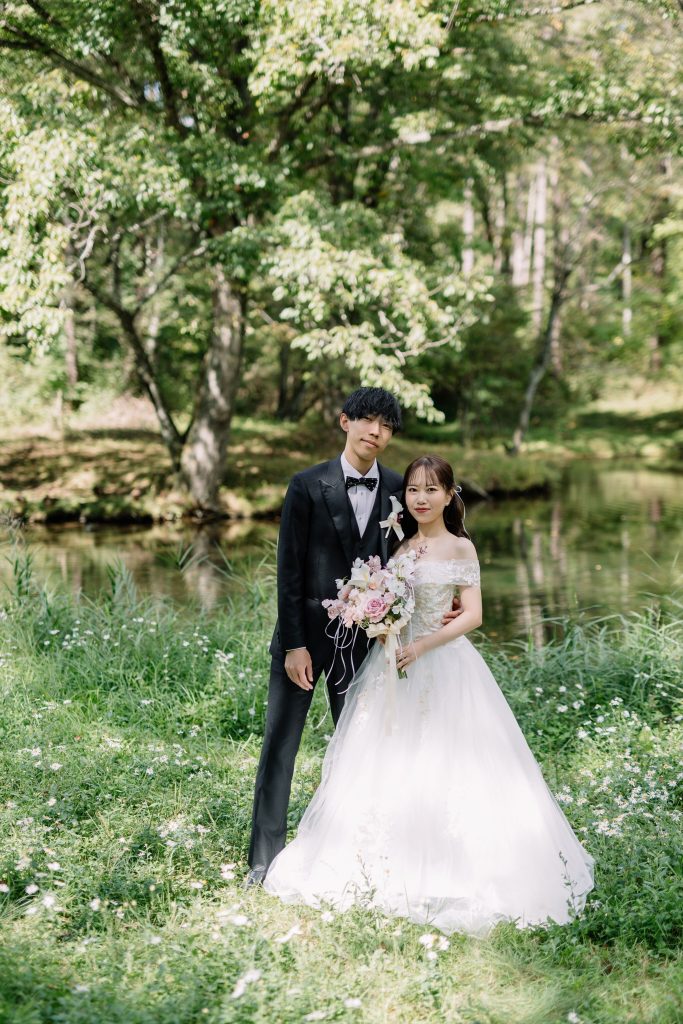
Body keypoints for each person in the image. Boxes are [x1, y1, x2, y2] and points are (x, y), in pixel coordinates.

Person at [263, 455, 595, 936]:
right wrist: (377, 619)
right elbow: (386, 600)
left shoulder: (461, 547)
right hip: (392, 664)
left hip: (441, 663)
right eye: (414, 490)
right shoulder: (399, 546)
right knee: (386, 759)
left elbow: (473, 614)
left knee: (451, 761)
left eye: (431, 490)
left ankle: (453, 868)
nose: (421, 498)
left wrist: (422, 644)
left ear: (449, 495)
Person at [246, 389, 462, 887]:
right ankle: (262, 861)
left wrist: (446, 595)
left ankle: (356, 858)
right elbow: (288, 571)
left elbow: (427, 544)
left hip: (368, 644)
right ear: (346, 422)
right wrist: (294, 645)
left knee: (360, 750)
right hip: (304, 640)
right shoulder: (306, 485)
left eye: (386, 426)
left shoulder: (401, 488)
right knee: (280, 745)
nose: (376, 432)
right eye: (367, 421)